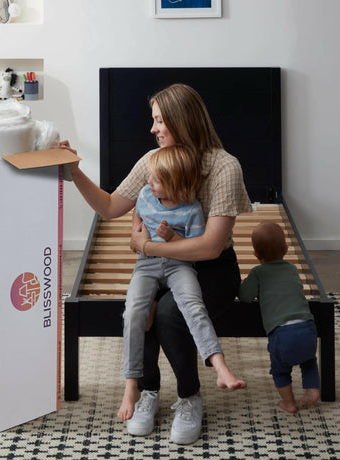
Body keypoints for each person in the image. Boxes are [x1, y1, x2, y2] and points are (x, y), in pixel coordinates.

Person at [60, 83, 252, 444]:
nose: (153, 129)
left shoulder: (225, 167)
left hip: (211, 268)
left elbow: (210, 246)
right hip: (161, 257)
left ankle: (189, 396)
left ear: (182, 121)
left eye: (160, 120)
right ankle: (147, 390)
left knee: (168, 313)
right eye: (154, 120)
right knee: (142, 305)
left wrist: (147, 246)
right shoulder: (153, 161)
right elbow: (110, 206)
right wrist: (74, 171)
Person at [118, 144, 246, 422]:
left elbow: (195, 245)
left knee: (192, 306)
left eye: (156, 180)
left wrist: (172, 238)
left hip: (179, 265)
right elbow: (136, 212)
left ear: (176, 184)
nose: (149, 182)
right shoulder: (145, 194)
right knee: (134, 313)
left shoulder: (193, 209)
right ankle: (133, 387)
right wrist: (137, 234)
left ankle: (219, 366)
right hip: (147, 265)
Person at [238, 221, 320, 414]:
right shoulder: (292, 269)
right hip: (307, 326)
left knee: (280, 370)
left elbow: (245, 297)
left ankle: (288, 403)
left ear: (257, 255)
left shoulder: (258, 272)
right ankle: (312, 389)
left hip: (282, 333)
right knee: (308, 360)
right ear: (286, 248)